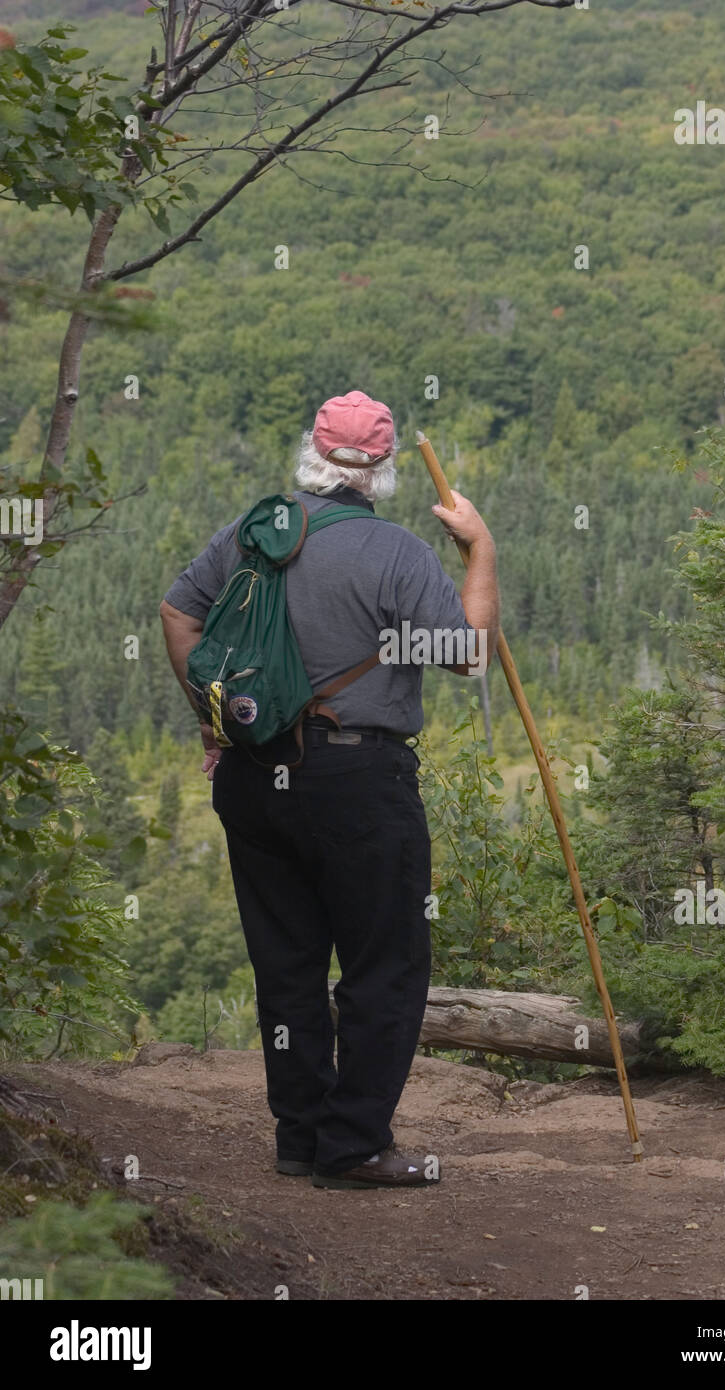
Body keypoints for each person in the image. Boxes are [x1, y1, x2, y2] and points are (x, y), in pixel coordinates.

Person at [160, 390, 499, 1189]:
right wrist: (479, 549)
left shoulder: (255, 533)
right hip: (357, 780)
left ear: (312, 454)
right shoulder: (397, 553)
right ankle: (353, 1147)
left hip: (254, 777)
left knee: (287, 963)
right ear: (380, 470)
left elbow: (179, 616)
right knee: (384, 964)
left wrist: (214, 722)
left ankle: (301, 1139)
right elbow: (467, 654)